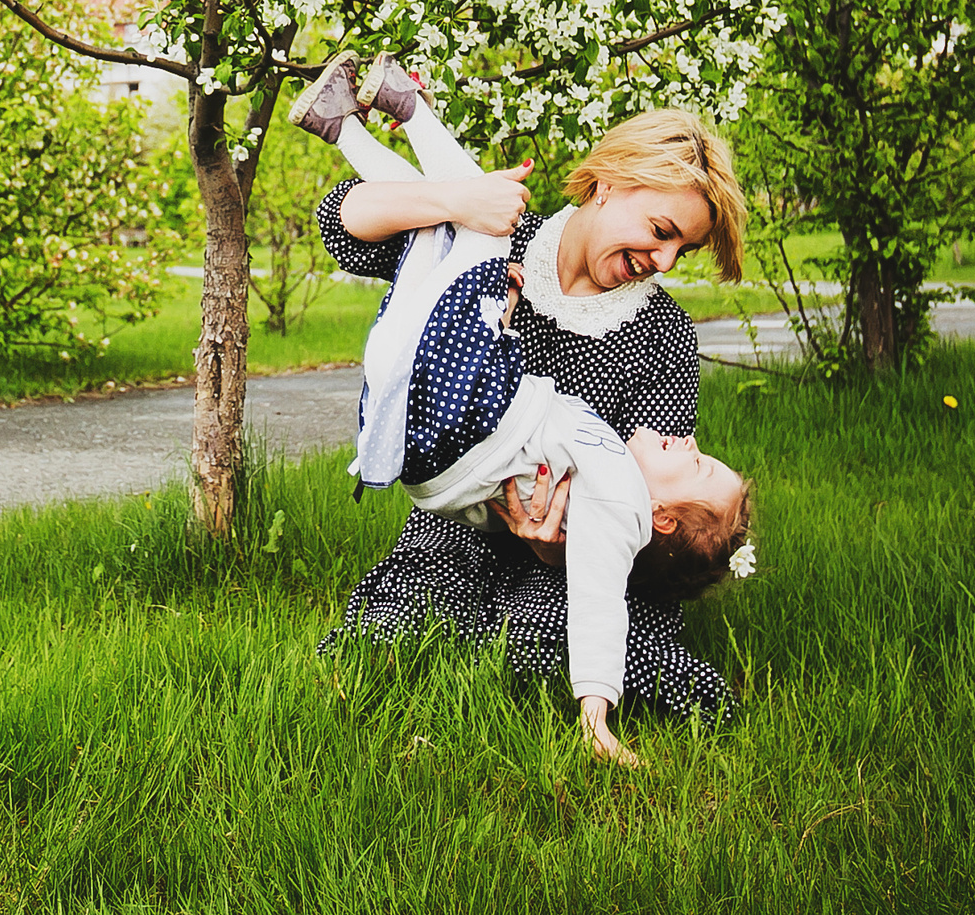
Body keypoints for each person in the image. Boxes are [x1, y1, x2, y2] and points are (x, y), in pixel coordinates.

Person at [290, 53, 752, 762]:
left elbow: (655, 502)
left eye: (681, 249)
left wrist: (547, 539)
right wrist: (454, 202)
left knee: (552, 628)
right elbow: (340, 221)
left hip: (572, 556)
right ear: (606, 184)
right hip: (461, 521)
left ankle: (590, 688)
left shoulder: (662, 335)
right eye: (661, 230)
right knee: (399, 631)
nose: (663, 260)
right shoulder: (500, 231)